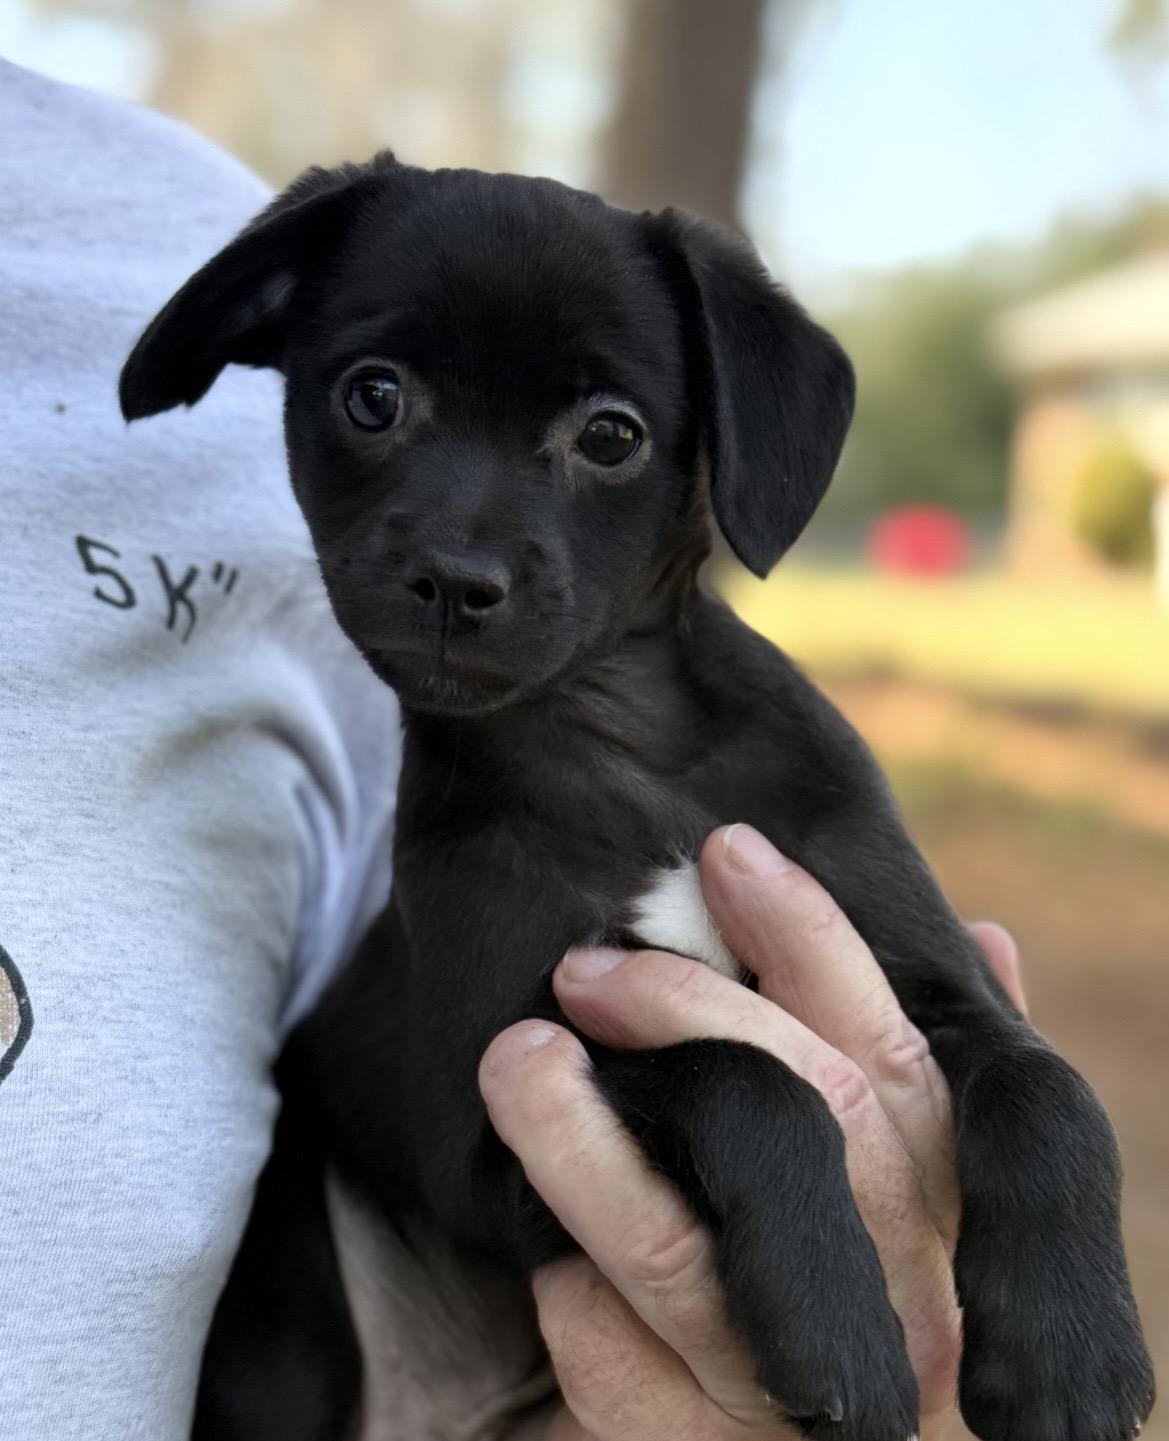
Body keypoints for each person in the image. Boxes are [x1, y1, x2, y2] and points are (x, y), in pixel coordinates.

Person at [0, 59, 1023, 1440]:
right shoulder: (463, 796)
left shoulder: (147, 202)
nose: (462, 552)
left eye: (599, 437)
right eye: (376, 403)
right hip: (329, 1324)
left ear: (712, 445)